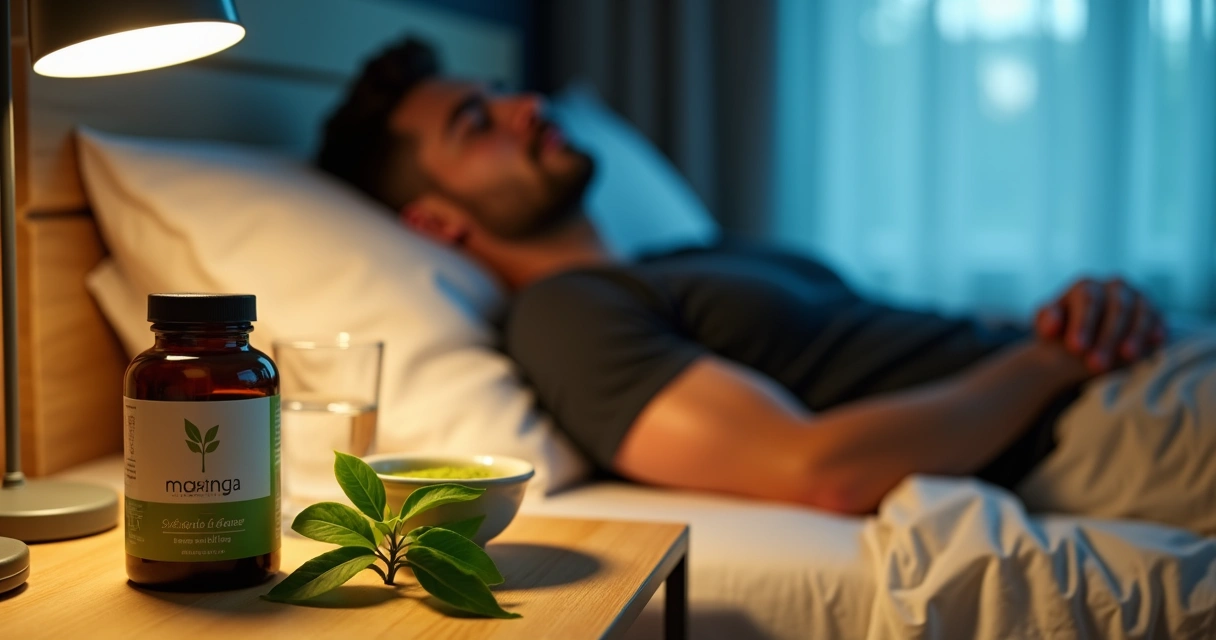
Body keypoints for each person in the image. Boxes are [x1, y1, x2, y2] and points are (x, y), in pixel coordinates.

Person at [316, 38, 1173, 516]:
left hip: (1121, 368)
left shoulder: (683, 258)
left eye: (503, 91)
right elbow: (816, 470)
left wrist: (1069, 318)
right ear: (434, 223)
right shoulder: (567, 316)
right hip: (1082, 424)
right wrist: (1055, 358)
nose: (526, 106)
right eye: (478, 123)